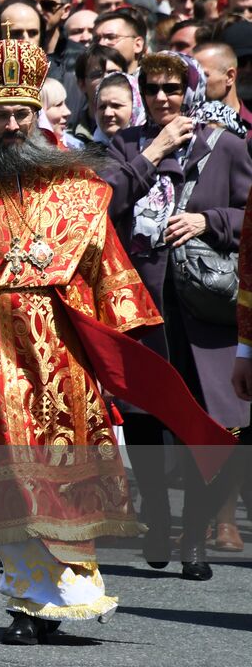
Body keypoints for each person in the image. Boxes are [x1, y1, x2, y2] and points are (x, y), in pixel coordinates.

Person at [0, 38, 232, 644]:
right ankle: (28, 602)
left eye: (21, 114)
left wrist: (125, 352)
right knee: (15, 475)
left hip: (67, 347)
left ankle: (73, 592)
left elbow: (110, 269)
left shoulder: (80, 192)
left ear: (38, 117)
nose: (11, 125)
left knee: (64, 473)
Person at [102, 52, 252, 573]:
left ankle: (193, 534)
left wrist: (206, 221)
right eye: (152, 87)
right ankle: (160, 519)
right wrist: (154, 151)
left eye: (172, 86)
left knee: (209, 424)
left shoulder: (226, 145)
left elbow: (246, 213)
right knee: (144, 418)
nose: (162, 97)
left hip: (198, 309)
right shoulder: (125, 144)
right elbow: (102, 202)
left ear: (191, 88)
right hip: (138, 303)